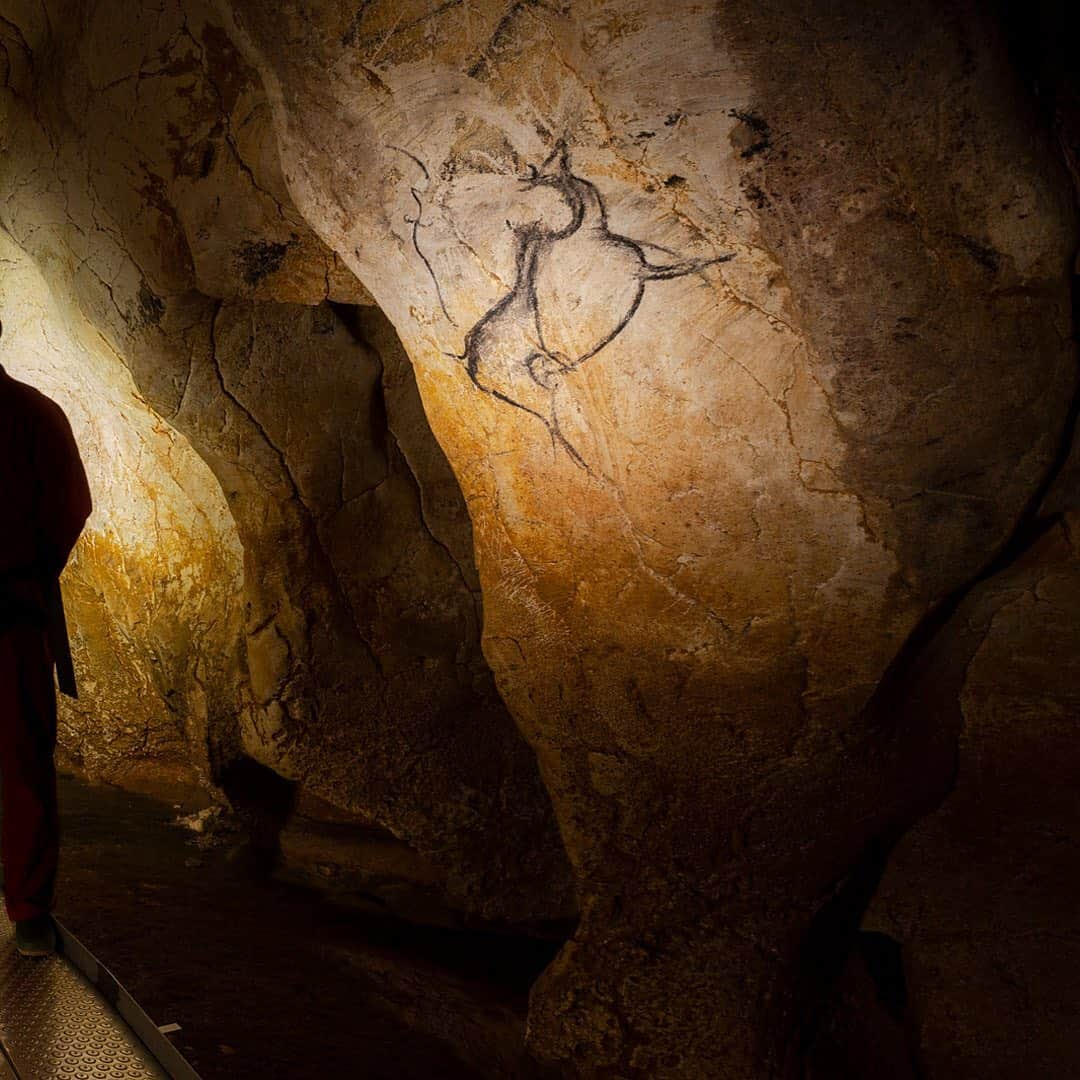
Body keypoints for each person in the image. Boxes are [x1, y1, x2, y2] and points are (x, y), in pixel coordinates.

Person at [0, 317, 92, 956]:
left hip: (12, 608)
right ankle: (28, 910)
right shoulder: (36, 413)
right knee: (22, 765)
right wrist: (34, 570)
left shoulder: (34, 413)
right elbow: (69, 506)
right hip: (12, 613)